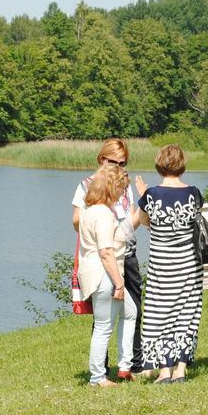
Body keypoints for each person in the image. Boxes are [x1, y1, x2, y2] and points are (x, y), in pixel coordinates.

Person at [72, 139, 146, 380]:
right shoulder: (91, 194)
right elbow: (85, 228)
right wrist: (101, 232)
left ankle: (130, 365)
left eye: (122, 163)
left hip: (125, 256)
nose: (118, 167)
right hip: (106, 262)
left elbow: (131, 225)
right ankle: (98, 374)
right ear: (101, 159)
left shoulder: (123, 188)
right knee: (104, 321)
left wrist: (142, 209)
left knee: (132, 311)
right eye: (113, 162)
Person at [138, 144, 205, 383]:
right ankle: (181, 370)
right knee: (187, 314)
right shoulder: (194, 193)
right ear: (182, 164)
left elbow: (145, 222)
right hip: (188, 266)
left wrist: (143, 193)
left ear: (159, 164)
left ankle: (164, 371)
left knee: (159, 314)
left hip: (161, 267)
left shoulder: (151, 195)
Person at [76, 165, 133, 387]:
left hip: (99, 274)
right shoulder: (102, 214)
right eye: (121, 188)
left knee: (130, 312)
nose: (122, 193)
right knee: (103, 326)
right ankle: (97, 377)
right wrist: (119, 283)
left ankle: (125, 366)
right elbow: (106, 251)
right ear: (111, 188)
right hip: (104, 276)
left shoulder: (89, 211)